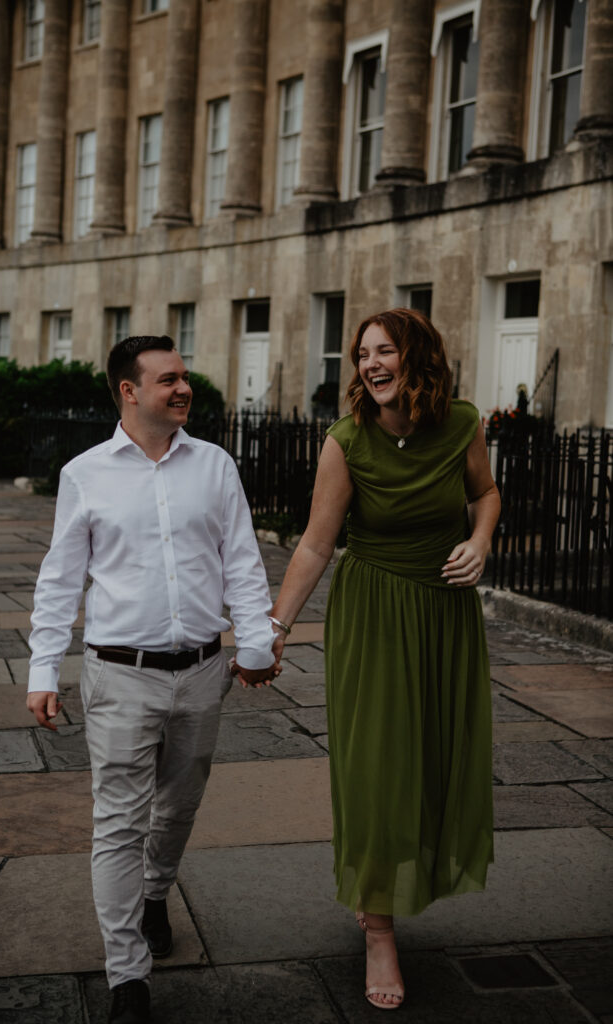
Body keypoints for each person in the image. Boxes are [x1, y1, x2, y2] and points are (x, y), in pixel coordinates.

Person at [26, 335, 277, 1024]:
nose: (182, 387)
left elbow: (242, 563)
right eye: (167, 379)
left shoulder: (215, 466)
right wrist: (43, 669)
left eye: (184, 376)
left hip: (202, 672)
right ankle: (126, 976)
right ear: (128, 391)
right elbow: (59, 580)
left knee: (180, 804)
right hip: (119, 677)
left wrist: (255, 643)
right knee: (117, 824)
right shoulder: (85, 473)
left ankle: (156, 891)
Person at [269, 309, 500, 1011]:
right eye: (361, 354)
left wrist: (480, 541)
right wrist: (273, 628)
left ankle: (400, 891)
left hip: (443, 614)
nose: (369, 365)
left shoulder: (460, 424)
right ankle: (377, 931)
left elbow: (483, 494)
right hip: (373, 617)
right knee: (376, 771)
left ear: (416, 359)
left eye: (383, 351)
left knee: (433, 761)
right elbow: (314, 544)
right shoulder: (346, 442)